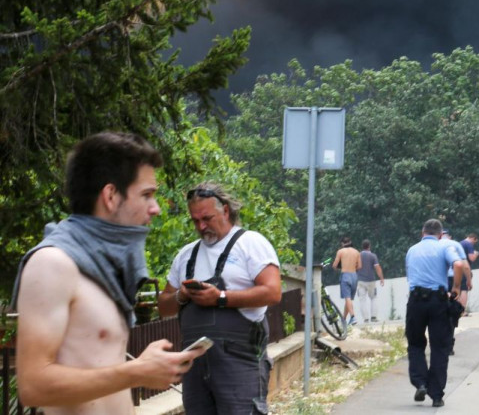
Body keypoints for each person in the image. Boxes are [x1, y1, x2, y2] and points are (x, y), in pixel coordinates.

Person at [13, 132, 207, 413]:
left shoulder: (102, 270)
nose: (156, 209)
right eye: (147, 195)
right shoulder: (53, 264)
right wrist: (136, 372)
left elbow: (93, 365)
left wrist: (139, 367)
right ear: (111, 195)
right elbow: (33, 386)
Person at [157, 182, 282, 414]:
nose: (201, 226)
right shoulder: (186, 255)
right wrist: (182, 295)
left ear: (225, 210)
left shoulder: (250, 243)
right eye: (195, 221)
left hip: (240, 365)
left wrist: (221, 298)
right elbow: (163, 307)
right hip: (195, 370)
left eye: (206, 218)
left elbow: (273, 292)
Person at [405, 218, 466, 408]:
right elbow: (458, 265)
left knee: (415, 343)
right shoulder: (443, 247)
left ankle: (421, 382)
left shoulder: (412, 250)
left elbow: (410, 276)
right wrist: (455, 288)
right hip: (438, 301)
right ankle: (437, 395)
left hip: (416, 301)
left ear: (422, 233)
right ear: (440, 235)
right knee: (439, 347)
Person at [332, 235, 361, 325]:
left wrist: (340, 267)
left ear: (342, 243)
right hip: (354, 276)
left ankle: (353, 317)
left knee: (347, 298)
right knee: (348, 299)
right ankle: (344, 319)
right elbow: (360, 266)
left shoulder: (340, 251)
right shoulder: (357, 252)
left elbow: (334, 265)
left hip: (345, 275)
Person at [356, 239, 385, 322]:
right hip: (371, 281)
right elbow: (377, 268)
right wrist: (381, 278)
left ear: (362, 246)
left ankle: (365, 318)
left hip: (360, 281)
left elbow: (355, 267)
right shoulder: (373, 256)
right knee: (373, 298)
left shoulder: (358, 255)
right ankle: (374, 317)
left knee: (362, 299)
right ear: (369, 246)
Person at [458, 233, 479, 315]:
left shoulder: (460, 243)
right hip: (465, 270)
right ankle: (462, 311)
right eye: (475, 242)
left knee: (458, 290)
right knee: (464, 290)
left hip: (457, 269)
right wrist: (476, 254)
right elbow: (471, 258)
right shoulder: (469, 244)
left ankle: (457, 310)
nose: (474, 244)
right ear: (473, 238)